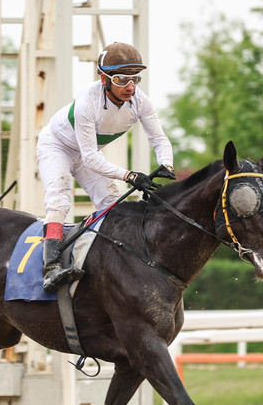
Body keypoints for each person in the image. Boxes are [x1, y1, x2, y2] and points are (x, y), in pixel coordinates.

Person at [35, 42, 176, 292]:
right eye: (122, 80)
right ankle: (51, 268)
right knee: (59, 199)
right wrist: (130, 175)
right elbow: (89, 158)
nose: (130, 87)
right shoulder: (86, 102)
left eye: (135, 79)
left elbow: (158, 138)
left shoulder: (141, 102)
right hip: (57, 147)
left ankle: (118, 265)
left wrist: (166, 162)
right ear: (104, 78)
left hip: (88, 152)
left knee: (113, 203)